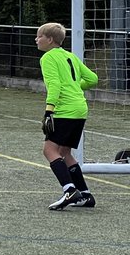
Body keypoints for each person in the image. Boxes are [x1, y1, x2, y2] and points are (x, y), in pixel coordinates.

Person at [35, 22, 99, 210]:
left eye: (39, 36)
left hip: (65, 110)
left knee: (49, 150)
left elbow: (54, 86)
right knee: (64, 152)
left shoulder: (48, 58)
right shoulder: (70, 56)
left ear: (50, 40)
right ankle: (85, 194)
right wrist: (74, 87)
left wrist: (49, 110)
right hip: (80, 108)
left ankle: (69, 190)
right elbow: (92, 79)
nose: (36, 39)